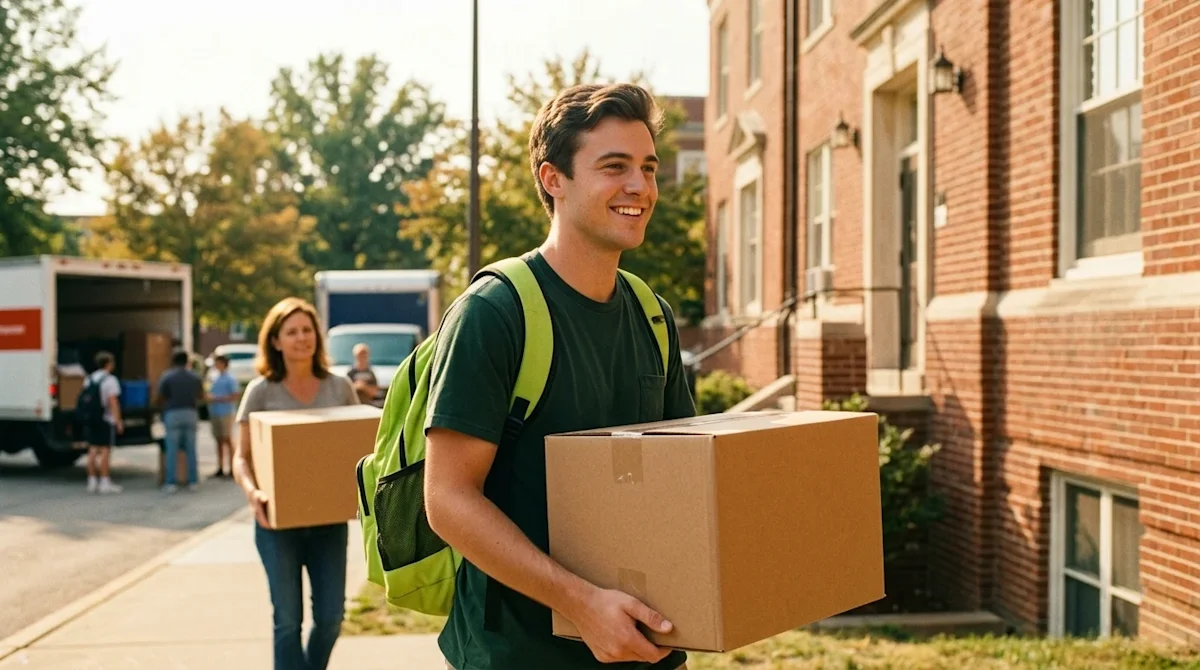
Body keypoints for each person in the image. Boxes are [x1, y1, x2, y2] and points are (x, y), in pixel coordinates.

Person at [423, 83, 696, 670]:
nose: (639, 188)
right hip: (517, 655)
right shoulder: (495, 313)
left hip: (646, 650)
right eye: (614, 167)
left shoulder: (653, 316)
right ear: (554, 179)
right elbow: (447, 498)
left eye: (647, 168)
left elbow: (685, 481)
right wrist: (584, 605)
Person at [233, 297, 359, 670]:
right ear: (275, 341)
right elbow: (242, 456)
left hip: (328, 525)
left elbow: (362, 448)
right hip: (277, 525)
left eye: (307, 330)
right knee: (287, 621)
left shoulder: (340, 388)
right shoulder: (261, 391)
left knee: (331, 618)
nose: (301, 338)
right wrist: (252, 493)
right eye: (291, 332)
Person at [158, 350, 204, 493]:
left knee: (172, 449)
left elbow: (161, 396)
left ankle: (171, 482)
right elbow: (201, 395)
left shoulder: (167, 377)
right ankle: (193, 481)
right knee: (191, 449)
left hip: (173, 412)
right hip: (190, 412)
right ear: (187, 362)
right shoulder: (195, 377)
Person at [83, 351, 123, 494]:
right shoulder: (110, 380)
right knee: (105, 450)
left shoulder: (89, 379)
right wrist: (118, 421)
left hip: (91, 418)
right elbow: (113, 402)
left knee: (92, 450)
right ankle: (105, 482)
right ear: (109, 364)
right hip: (105, 419)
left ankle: (92, 481)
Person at [206, 354, 238, 477]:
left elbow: (235, 395)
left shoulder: (230, 378)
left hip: (226, 411)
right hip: (215, 411)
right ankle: (220, 466)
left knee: (227, 439)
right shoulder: (214, 378)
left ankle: (232, 467)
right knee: (218, 439)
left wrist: (218, 399)